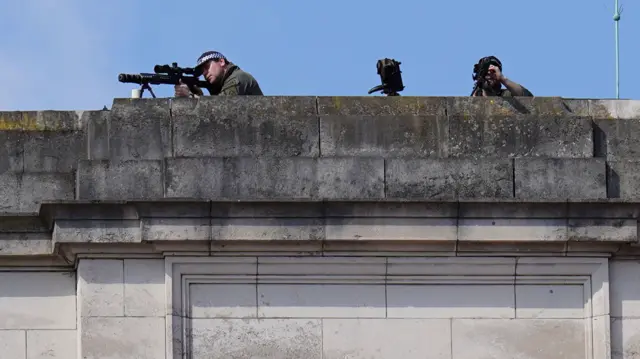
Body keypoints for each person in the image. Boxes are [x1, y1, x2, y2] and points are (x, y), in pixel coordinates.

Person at [174, 51, 263, 97]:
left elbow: (221, 106)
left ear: (221, 62)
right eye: (202, 71)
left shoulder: (238, 77)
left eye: (207, 67)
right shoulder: (223, 83)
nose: (204, 73)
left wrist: (192, 97)